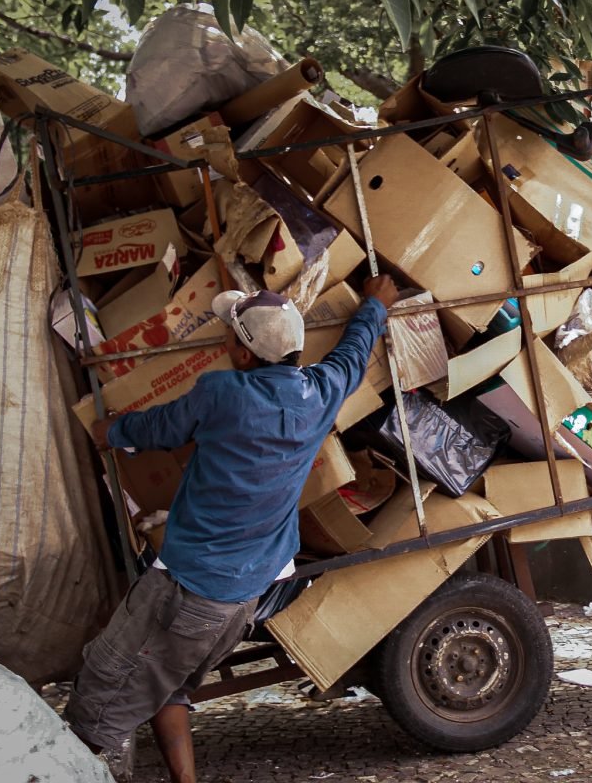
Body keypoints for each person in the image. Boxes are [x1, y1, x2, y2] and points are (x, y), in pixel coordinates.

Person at [66, 274, 398, 782]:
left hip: (186, 591)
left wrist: (108, 431)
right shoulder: (318, 395)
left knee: (98, 706)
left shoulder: (223, 394)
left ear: (243, 356)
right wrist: (374, 306)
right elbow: (352, 358)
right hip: (243, 599)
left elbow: (161, 427)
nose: (223, 342)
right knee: (168, 685)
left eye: (228, 335)